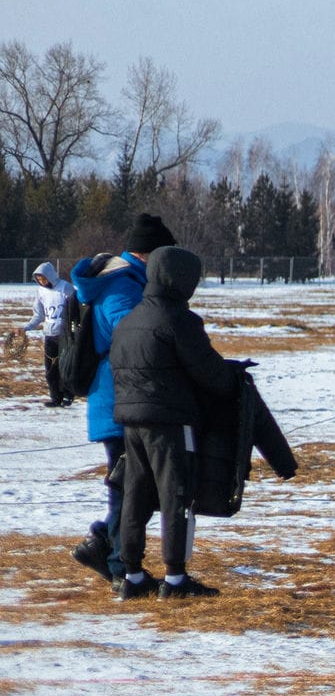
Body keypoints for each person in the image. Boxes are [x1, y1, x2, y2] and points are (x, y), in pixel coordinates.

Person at [104, 244, 244, 600]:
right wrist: (233, 378)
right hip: (170, 422)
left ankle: (132, 575)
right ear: (181, 280)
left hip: (130, 421)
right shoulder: (179, 320)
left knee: (135, 494)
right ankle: (176, 579)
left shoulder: (129, 321)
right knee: (176, 494)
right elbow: (211, 374)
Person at [67, 214, 175, 580]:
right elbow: (138, 337)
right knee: (129, 485)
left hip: (122, 398)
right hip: (119, 401)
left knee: (130, 484)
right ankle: (116, 563)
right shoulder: (122, 286)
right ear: (147, 254)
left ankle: (104, 545)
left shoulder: (128, 281)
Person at [23, 261, 70, 405]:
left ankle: (68, 395)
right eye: (39, 279)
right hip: (50, 335)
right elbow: (38, 315)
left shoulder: (65, 288)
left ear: (50, 276)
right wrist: (26, 328)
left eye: (43, 278)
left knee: (65, 367)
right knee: (50, 370)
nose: (42, 282)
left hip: (65, 335)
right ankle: (55, 398)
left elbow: (76, 310)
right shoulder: (41, 292)